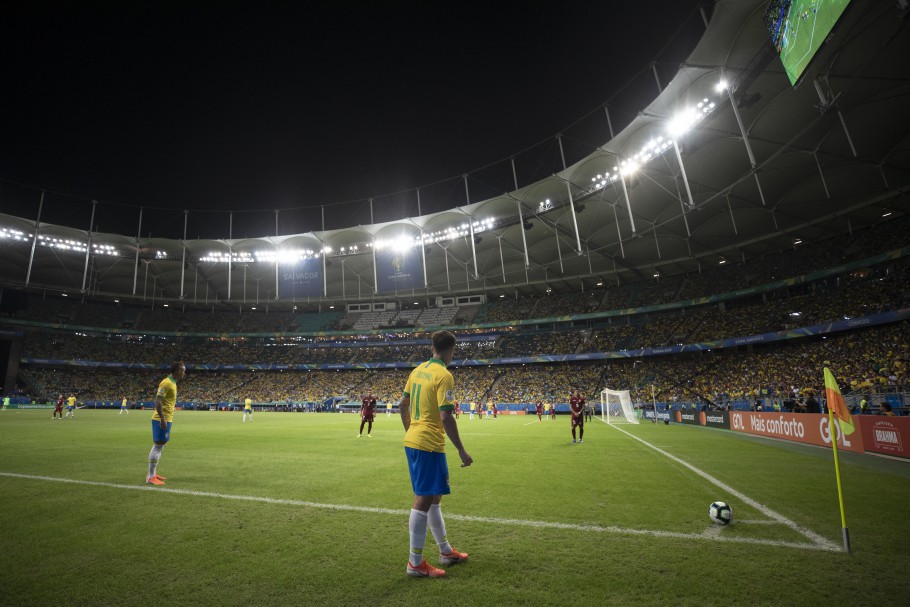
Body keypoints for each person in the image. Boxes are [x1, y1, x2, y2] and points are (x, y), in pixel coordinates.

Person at [399, 330, 472, 578]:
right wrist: (461, 450)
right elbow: (445, 416)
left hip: (416, 439)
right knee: (423, 498)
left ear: (433, 347)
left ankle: (445, 551)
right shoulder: (444, 375)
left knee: (435, 497)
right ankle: (415, 563)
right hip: (428, 443)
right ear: (451, 350)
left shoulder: (417, 370)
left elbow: (402, 404)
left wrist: (411, 430)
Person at [145, 362, 186, 486]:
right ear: (178, 371)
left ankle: (153, 473)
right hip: (160, 419)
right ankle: (150, 476)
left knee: (161, 446)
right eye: (183, 370)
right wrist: (162, 418)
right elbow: (158, 401)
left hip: (167, 418)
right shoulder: (166, 383)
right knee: (158, 445)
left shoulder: (173, 383)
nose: (184, 373)